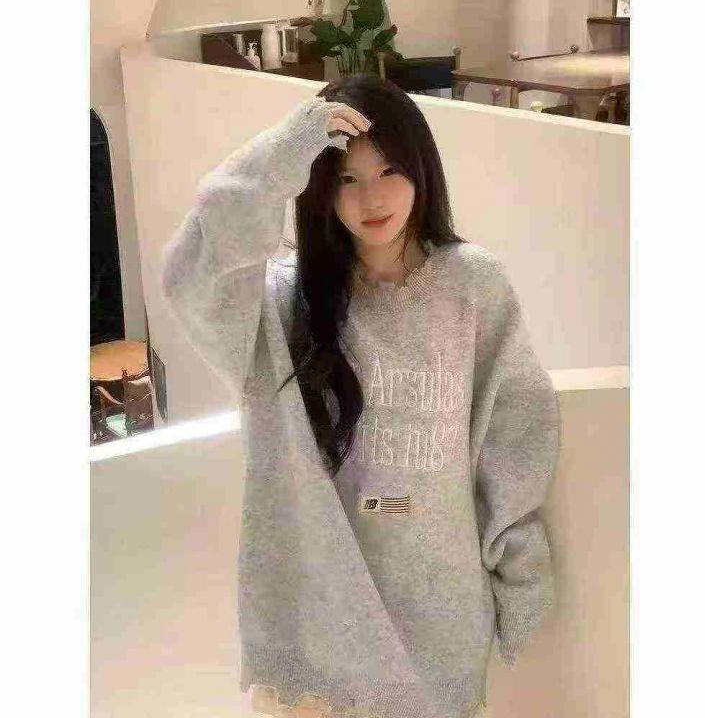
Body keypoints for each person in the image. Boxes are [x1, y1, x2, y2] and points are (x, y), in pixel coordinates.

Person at [161, 73, 560, 718]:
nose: (372, 198)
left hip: (437, 617)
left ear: (421, 169)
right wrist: (278, 156)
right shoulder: (282, 302)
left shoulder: (472, 285)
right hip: (320, 627)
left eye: (390, 171)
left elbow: (513, 433)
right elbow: (191, 272)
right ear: (320, 187)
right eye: (347, 178)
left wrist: (517, 571)